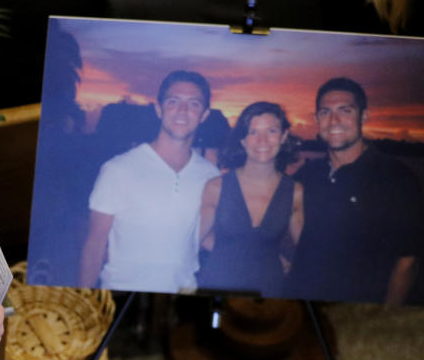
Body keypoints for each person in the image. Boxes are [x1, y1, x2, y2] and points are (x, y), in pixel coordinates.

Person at [287, 77, 424, 305]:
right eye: (325, 112)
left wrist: (385, 318)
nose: (334, 121)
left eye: (345, 110)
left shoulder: (394, 177)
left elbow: (407, 261)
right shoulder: (307, 174)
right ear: (316, 119)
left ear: (364, 116)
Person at [78, 70, 221, 292]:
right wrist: (83, 298)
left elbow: (201, 237)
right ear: (159, 109)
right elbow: (94, 245)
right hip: (121, 293)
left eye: (193, 104)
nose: (182, 111)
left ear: (204, 114)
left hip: (185, 292)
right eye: (173, 101)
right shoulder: (119, 169)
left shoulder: (211, 176)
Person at [197, 102, 304, 297]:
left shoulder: (295, 192)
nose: (262, 140)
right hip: (217, 286)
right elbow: (196, 238)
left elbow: (307, 249)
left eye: (271, 131)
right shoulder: (216, 187)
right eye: (253, 132)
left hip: (270, 291)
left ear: (283, 136)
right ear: (243, 140)